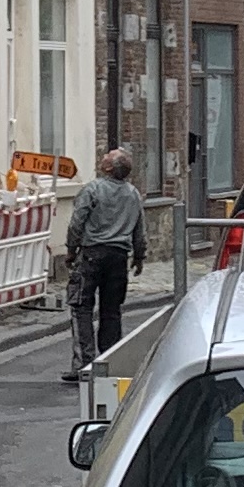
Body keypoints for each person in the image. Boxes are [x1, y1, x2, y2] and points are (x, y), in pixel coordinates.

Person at [62, 146, 143, 379]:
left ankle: (84, 363)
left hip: (92, 254)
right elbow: (139, 228)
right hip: (119, 257)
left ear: (108, 167)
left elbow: (77, 222)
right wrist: (139, 255)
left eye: (108, 155)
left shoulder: (93, 190)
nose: (104, 156)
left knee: (81, 307)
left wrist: (71, 250)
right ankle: (110, 360)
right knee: (111, 310)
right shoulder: (133, 194)